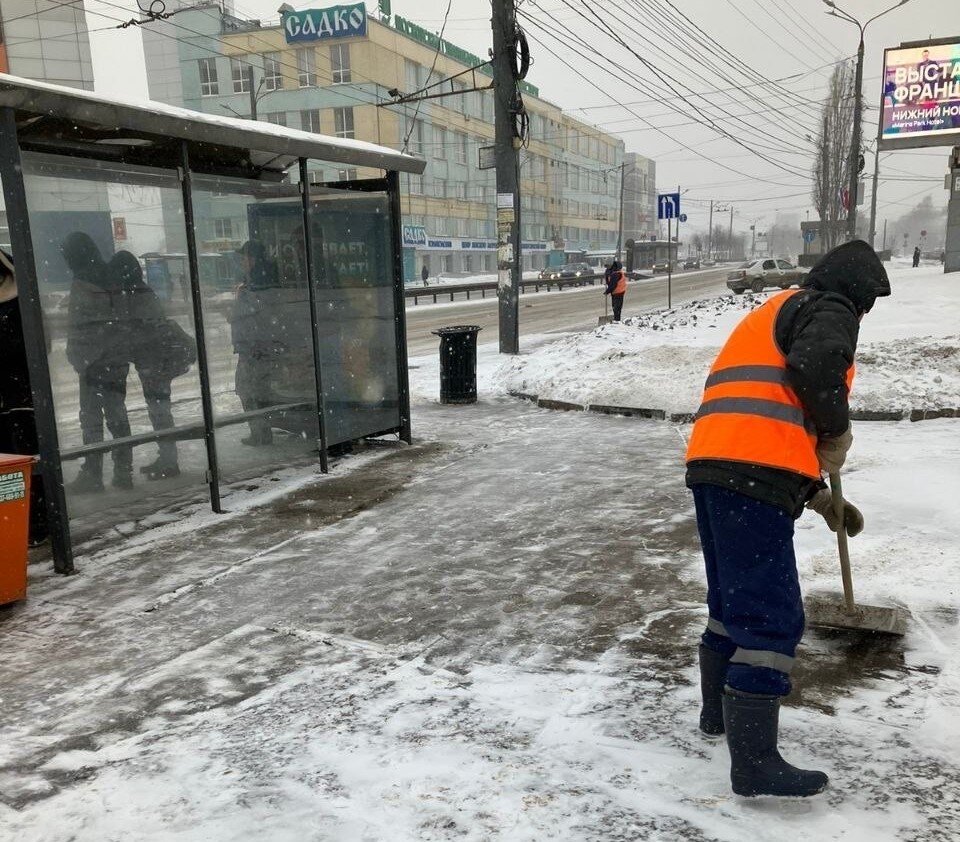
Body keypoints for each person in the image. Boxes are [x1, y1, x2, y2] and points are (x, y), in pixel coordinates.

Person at [685, 240, 890, 798]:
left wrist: (820, 497)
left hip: (714, 465)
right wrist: (835, 430)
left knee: (731, 602)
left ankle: (718, 718)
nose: (864, 317)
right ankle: (754, 765)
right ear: (859, 292)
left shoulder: (776, 309)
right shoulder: (831, 305)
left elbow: (761, 416)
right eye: (868, 304)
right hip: (750, 469)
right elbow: (816, 371)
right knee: (771, 614)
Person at [112, 251, 195, 480]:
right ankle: (167, 458)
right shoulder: (139, 292)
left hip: (155, 363)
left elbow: (145, 332)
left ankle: (169, 461)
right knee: (159, 411)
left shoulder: (138, 294)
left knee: (160, 412)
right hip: (154, 363)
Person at [62, 232, 133, 492]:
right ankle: (124, 472)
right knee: (117, 415)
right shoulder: (111, 277)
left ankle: (93, 474)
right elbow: (119, 321)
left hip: (93, 363)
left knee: (91, 420)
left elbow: (82, 328)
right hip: (116, 360)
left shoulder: (82, 282)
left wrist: (80, 358)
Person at [0, 249, 48, 545]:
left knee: (26, 458)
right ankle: (15, 519)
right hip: (8, 397)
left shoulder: (18, 298)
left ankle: (38, 519)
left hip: (21, 395)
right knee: (7, 462)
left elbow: (35, 343)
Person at [232, 240, 280, 446]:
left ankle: (260, 433)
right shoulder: (264, 278)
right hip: (259, 345)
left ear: (251, 258)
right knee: (258, 390)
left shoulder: (256, 282)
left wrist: (233, 313)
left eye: (244, 257)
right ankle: (262, 431)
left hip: (254, 347)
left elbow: (253, 313)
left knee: (247, 389)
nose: (242, 261)